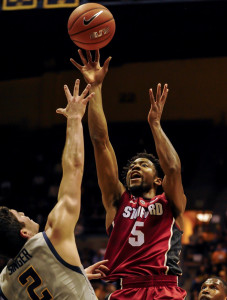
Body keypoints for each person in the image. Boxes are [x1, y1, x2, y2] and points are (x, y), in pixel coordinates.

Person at [71, 50, 187, 299]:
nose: (135, 167)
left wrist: (155, 125)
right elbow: (100, 141)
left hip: (165, 288)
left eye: (144, 164)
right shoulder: (117, 201)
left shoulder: (170, 203)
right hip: (126, 290)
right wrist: (96, 87)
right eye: (132, 166)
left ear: (158, 179)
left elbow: (174, 168)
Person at [0, 79, 109, 299]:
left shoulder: (5, 282)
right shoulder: (54, 236)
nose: (24, 213)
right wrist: (75, 118)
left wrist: (77, 275)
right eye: (20, 216)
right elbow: (74, 169)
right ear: (24, 233)